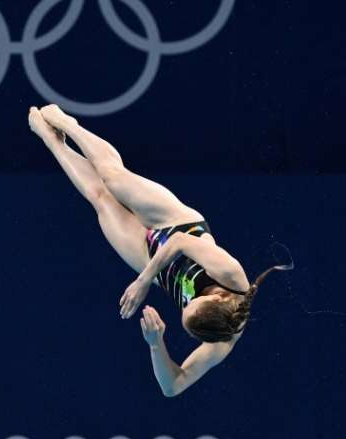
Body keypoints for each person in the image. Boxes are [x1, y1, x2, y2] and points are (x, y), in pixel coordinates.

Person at [29, 105, 288, 396]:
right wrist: (142, 282)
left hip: (157, 267)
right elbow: (179, 242)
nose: (185, 303)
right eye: (193, 304)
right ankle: (68, 123)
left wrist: (156, 343)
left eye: (184, 307)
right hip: (178, 224)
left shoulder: (221, 342)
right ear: (216, 298)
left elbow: (173, 385)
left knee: (100, 199)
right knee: (113, 178)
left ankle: (53, 140)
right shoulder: (232, 277)